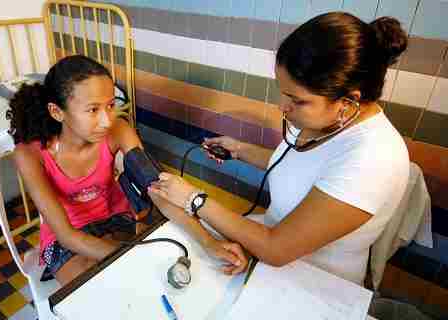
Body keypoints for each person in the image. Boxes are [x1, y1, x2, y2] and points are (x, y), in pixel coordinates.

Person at [148, 12, 410, 285]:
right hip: (265, 245)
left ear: (348, 101)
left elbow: (276, 248)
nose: (282, 106)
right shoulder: (323, 119)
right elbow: (302, 164)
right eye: (283, 91)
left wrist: (194, 199)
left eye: (296, 99)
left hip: (316, 282)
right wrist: (240, 149)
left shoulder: (374, 158)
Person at [7, 55, 246, 285]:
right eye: (93, 110)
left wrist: (207, 241)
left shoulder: (118, 131)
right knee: (96, 290)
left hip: (116, 220)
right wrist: (133, 258)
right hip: (66, 238)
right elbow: (67, 236)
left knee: (158, 272)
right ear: (57, 112)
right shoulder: (29, 154)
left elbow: (158, 190)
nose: (106, 120)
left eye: (110, 105)